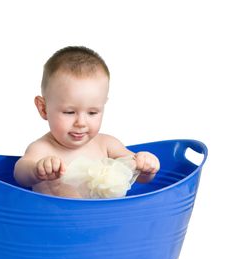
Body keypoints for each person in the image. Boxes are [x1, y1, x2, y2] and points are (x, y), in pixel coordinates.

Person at [14, 46, 160, 198]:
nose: (81, 123)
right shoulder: (42, 149)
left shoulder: (108, 145)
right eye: (69, 112)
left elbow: (137, 175)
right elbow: (20, 174)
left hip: (108, 219)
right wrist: (37, 169)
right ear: (43, 108)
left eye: (92, 112)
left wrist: (146, 166)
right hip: (55, 220)